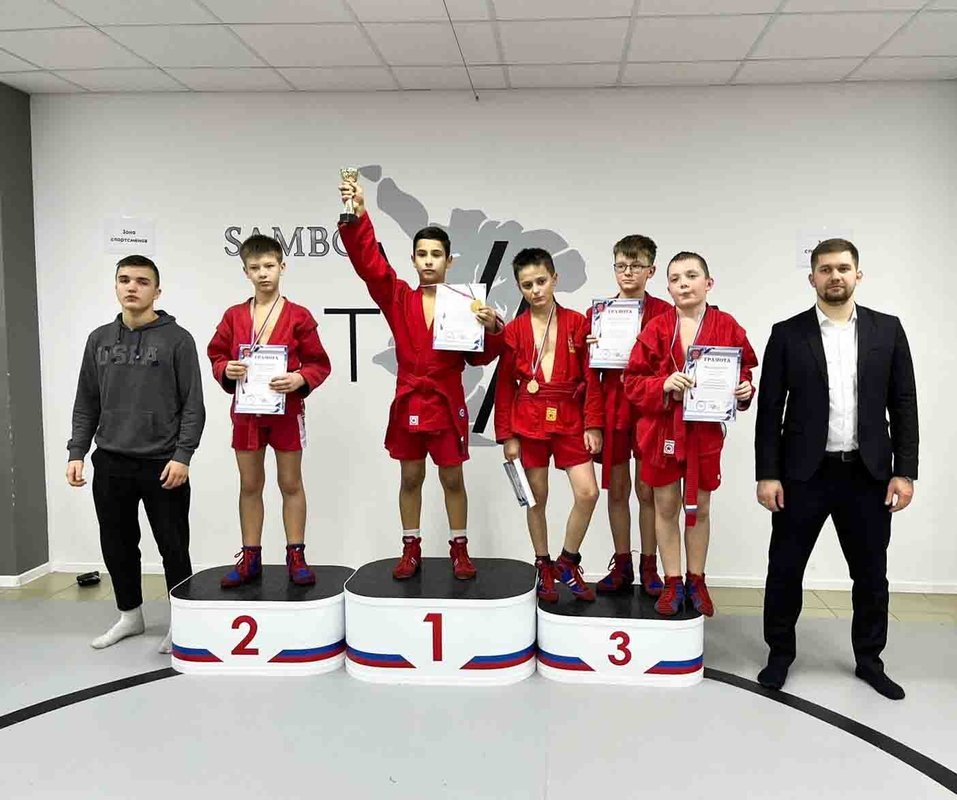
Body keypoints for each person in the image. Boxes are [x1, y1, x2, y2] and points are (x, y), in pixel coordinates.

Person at [756, 238, 917, 700]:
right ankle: (779, 656)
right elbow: (769, 410)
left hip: (868, 475)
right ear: (812, 278)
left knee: (871, 575)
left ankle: (870, 660)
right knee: (785, 570)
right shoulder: (787, 334)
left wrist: (904, 471)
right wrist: (767, 474)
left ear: (857, 275)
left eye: (843, 268)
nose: (835, 276)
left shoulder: (888, 330)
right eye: (825, 269)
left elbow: (904, 403)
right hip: (802, 475)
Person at [337, 176, 504, 580]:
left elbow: (479, 357)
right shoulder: (398, 297)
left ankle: (460, 549)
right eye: (422, 254)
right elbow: (371, 267)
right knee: (410, 476)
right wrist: (358, 216)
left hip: (446, 402)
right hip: (410, 399)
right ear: (413, 260)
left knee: (453, 478)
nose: (429, 261)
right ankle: (410, 547)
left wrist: (493, 327)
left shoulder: (466, 304)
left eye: (436, 255)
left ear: (449, 261)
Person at [67, 255, 205, 653]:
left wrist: (183, 456)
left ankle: (182, 623)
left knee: (173, 547)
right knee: (118, 544)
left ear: (157, 291)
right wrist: (77, 450)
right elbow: (87, 401)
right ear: (115, 286)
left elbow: (193, 405)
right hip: (111, 461)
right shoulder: (99, 339)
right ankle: (130, 615)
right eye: (124, 279)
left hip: (163, 463)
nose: (132, 287)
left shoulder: (178, 340)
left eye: (142, 281)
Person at [624, 252, 757, 616]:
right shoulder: (656, 328)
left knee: (700, 507)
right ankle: (672, 581)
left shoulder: (727, 325)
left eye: (692, 275)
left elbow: (743, 372)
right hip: (662, 430)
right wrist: (662, 384)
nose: (683, 283)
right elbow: (632, 382)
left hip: (704, 433)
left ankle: (696, 579)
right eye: (675, 278)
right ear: (667, 288)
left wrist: (745, 390)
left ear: (708, 283)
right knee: (666, 506)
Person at [208, 234, 331, 588]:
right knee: (250, 484)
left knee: (290, 483)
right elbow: (216, 354)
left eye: (269, 266)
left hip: (286, 411)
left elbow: (319, 363)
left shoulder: (298, 315)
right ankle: (250, 557)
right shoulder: (234, 316)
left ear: (282, 267)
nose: (263, 273)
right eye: (255, 267)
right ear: (245, 272)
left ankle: (296, 555)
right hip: (247, 413)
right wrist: (226, 369)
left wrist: (300, 378)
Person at [495, 248, 604, 602]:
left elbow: (591, 377)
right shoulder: (514, 330)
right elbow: (504, 385)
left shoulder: (577, 323)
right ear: (519, 287)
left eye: (541, 281)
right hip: (528, 419)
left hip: (570, 415)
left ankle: (567, 562)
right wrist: (507, 435)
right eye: (527, 285)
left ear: (555, 279)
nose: (536, 290)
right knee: (536, 498)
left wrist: (593, 424)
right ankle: (543, 564)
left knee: (588, 492)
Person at [586, 234, 671, 596]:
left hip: (651, 409)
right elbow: (590, 377)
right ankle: (622, 563)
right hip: (613, 408)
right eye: (621, 265)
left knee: (647, 489)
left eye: (636, 266)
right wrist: (592, 422)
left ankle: (650, 565)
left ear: (651, 270)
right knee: (618, 489)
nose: (627, 272)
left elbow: (672, 365)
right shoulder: (599, 314)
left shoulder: (666, 313)